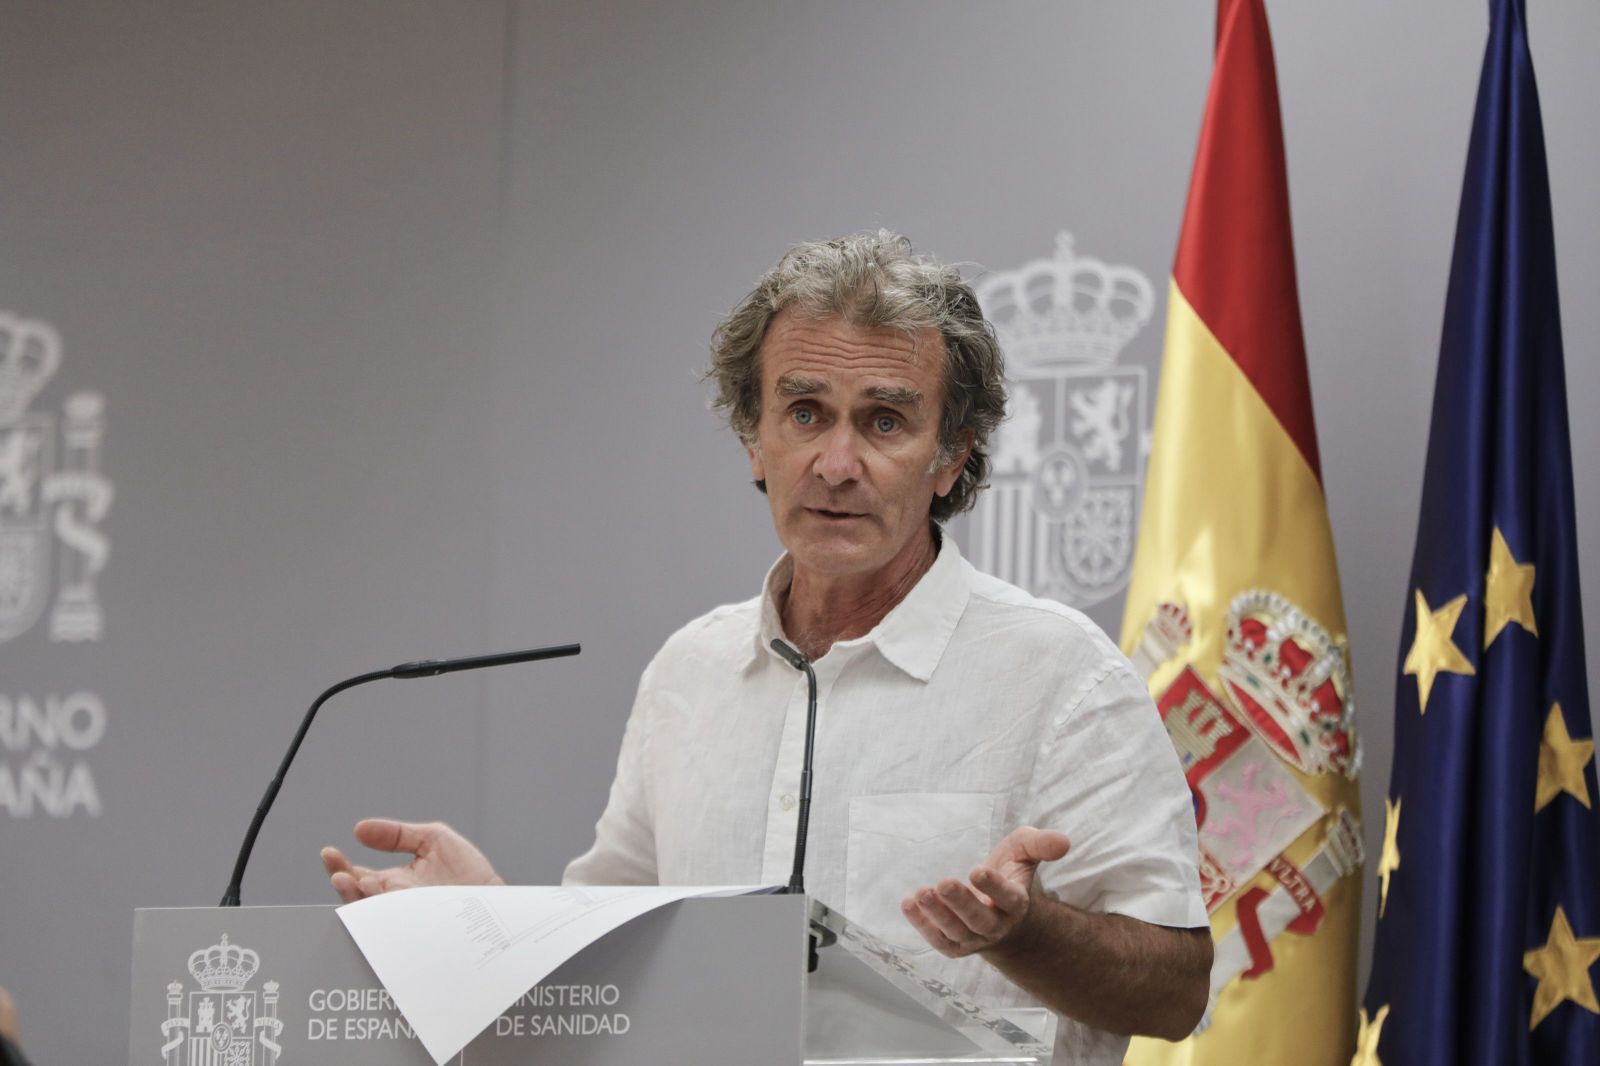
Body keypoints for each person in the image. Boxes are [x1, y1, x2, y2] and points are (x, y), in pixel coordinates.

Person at [323, 231, 1210, 1063]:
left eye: (885, 423)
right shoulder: (690, 672)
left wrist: (1026, 934)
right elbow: (616, 960)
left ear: (952, 456)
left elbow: (1175, 991)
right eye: (805, 413)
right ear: (755, 439)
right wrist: (491, 916)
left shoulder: (1061, 676)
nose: (835, 462)